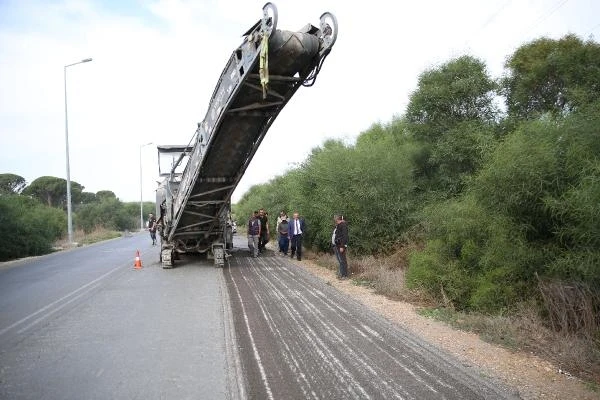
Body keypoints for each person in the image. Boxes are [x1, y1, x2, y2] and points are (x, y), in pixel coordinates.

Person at [332, 214, 349, 279]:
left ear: (337, 219)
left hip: (340, 246)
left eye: (335, 218)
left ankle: (344, 275)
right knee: (340, 260)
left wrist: (342, 246)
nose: (334, 219)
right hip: (336, 245)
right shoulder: (338, 225)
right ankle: (341, 273)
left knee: (342, 260)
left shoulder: (343, 225)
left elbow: (345, 237)